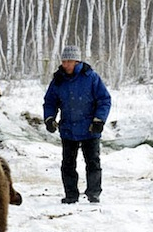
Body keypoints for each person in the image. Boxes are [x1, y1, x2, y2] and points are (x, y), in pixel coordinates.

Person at [43, 45, 112, 204]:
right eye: (64, 61)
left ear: (77, 61)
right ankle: (71, 195)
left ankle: (94, 193)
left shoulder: (91, 77)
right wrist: (49, 118)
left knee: (93, 162)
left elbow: (104, 100)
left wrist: (99, 120)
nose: (65, 64)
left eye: (69, 61)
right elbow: (50, 102)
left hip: (90, 129)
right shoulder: (58, 80)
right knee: (67, 164)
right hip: (68, 129)